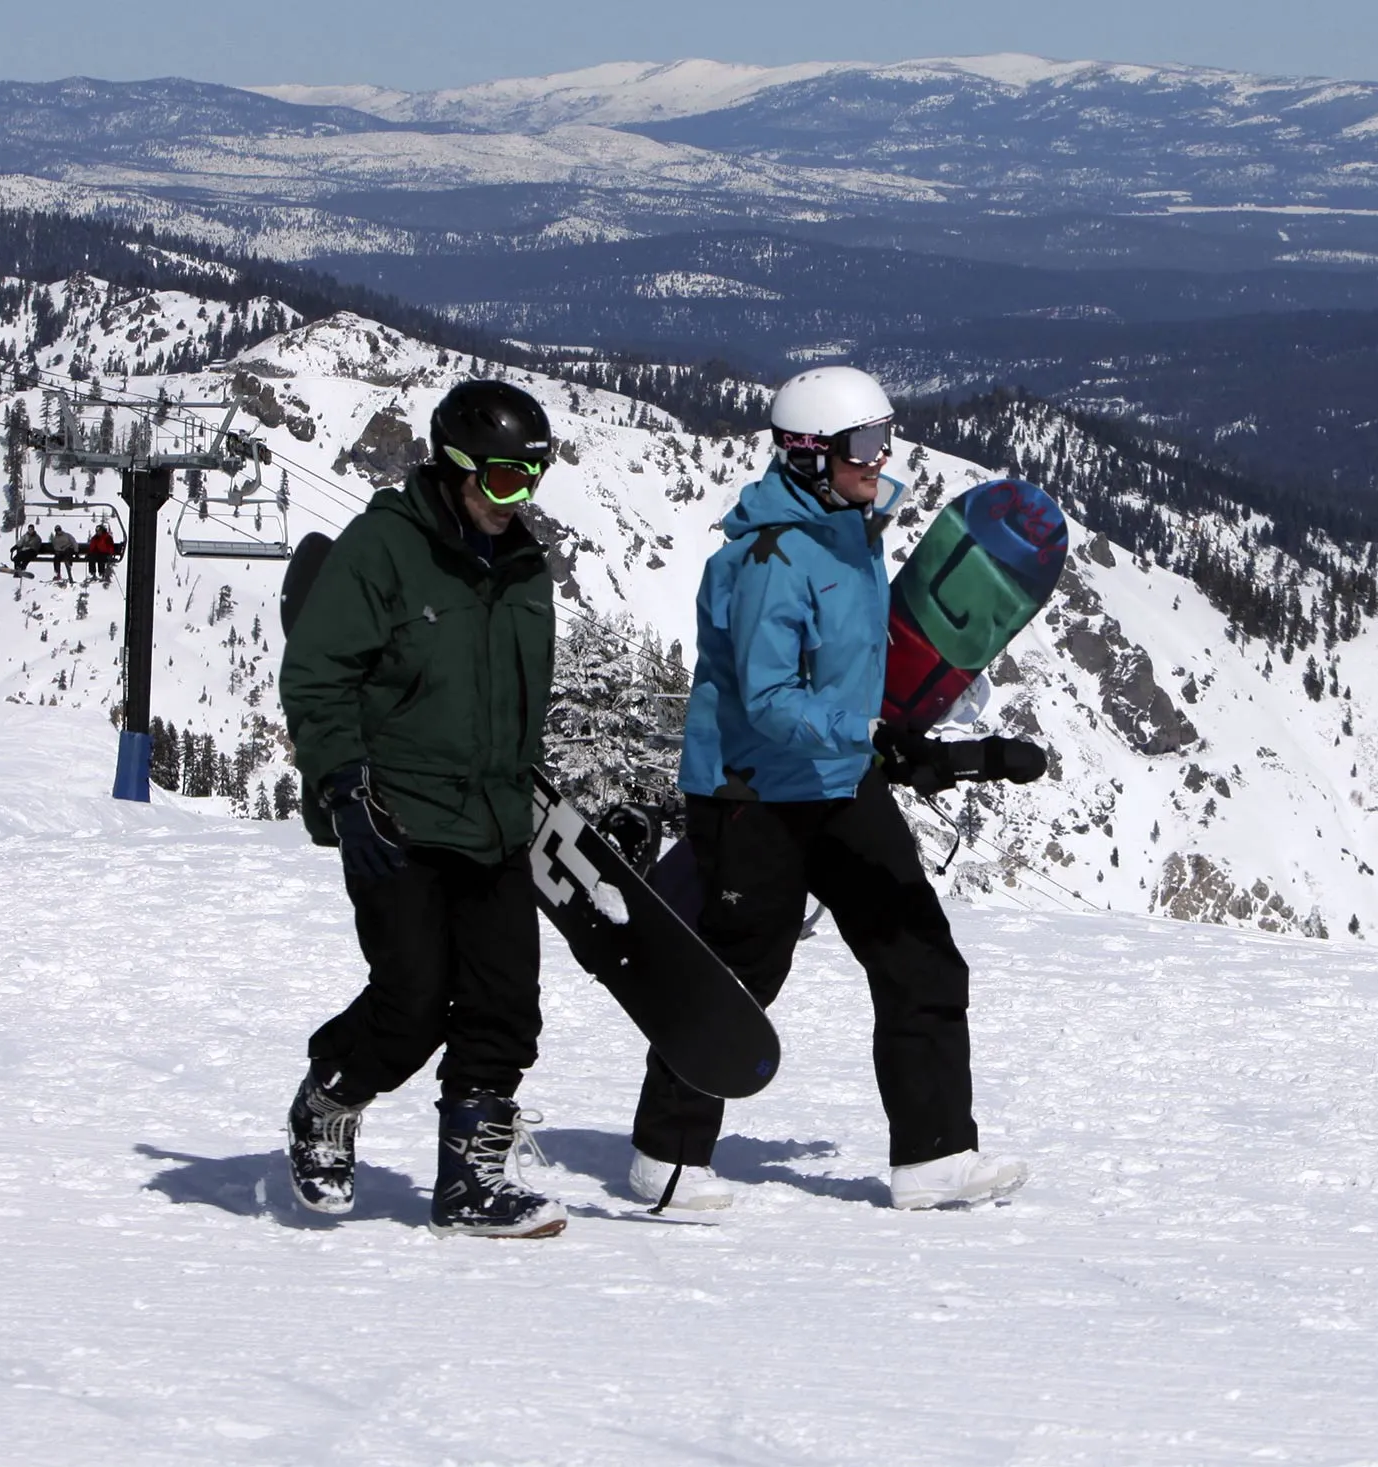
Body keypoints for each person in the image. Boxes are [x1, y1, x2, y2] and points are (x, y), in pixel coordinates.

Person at [627, 365, 1029, 1212]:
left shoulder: (853, 530)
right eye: (861, 444)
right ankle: (666, 1155)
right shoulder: (773, 559)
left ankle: (934, 1156)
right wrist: (871, 734)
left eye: (885, 438)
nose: (878, 459)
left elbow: (859, 667)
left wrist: (914, 739)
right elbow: (770, 701)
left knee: (918, 947)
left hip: (838, 778)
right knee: (740, 973)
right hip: (754, 793)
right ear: (809, 455)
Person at [278, 379, 563, 1238]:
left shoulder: (521, 566)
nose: (518, 503)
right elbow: (317, 677)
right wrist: (341, 789)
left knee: (504, 1005)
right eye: (506, 481)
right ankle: (330, 1096)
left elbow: (507, 702)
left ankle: (470, 1181)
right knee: (412, 997)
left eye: (532, 482)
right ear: (457, 468)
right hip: (395, 814)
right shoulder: (382, 551)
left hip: (493, 819)